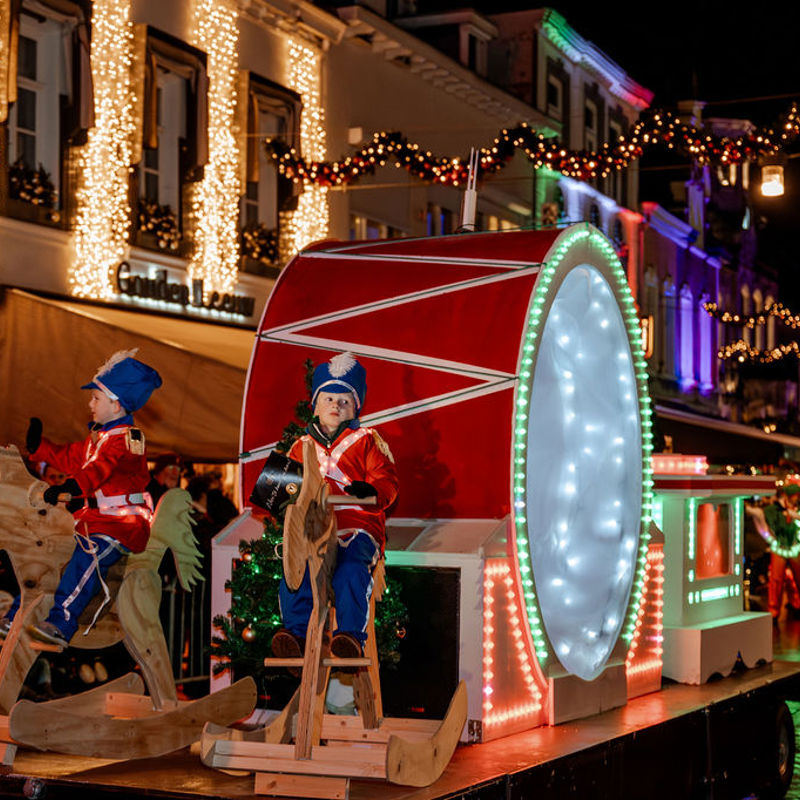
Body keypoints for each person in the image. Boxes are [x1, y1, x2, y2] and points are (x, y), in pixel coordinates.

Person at [0, 349, 162, 647]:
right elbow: (71, 457)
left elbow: (100, 470)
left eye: (96, 398)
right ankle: (17, 615)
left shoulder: (127, 440)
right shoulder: (98, 439)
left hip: (121, 525)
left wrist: (72, 488)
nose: (90, 403)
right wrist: (41, 448)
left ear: (116, 404)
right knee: (48, 551)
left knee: (88, 558)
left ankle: (61, 622)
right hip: (93, 521)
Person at [273, 352, 399, 661]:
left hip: (355, 529)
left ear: (356, 406)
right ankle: (295, 635)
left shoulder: (368, 441)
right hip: (313, 530)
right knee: (295, 570)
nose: (335, 406)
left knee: (351, 571)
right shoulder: (297, 446)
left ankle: (349, 636)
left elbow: (387, 481)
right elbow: (274, 497)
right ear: (315, 405)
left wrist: (371, 490)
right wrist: (284, 502)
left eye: (344, 401)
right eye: (328, 399)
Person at [764, 479, 800, 622]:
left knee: (798, 577)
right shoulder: (775, 509)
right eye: (794, 495)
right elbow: (771, 523)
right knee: (776, 579)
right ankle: (773, 610)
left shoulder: (797, 510)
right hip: (779, 548)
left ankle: (796, 604)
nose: (796, 498)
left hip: (796, 548)